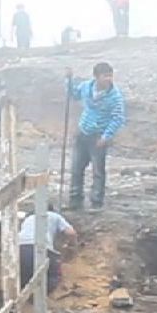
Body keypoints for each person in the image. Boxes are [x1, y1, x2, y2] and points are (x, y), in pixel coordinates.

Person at [66, 62, 126, 210]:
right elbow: (74, 94)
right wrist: (69, 80)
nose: (109, 79)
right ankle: (75, 200)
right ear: (96, 77)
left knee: (98, 171)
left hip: (99, 136)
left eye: (110, 76)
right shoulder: (87, 87)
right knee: (76, 168)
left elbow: (118, 118)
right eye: (105, 76)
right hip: (83, 132)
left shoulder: (115, 97)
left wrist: (106, 136)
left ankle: (96, 202)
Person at [18, 207, 76, 292]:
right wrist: (72, 245)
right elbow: (71, 233)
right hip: (41, 247)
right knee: (53, 276)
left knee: (24, 277)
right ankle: (43, 296)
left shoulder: (27, 219)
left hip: (20, 249)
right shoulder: (55, 216)